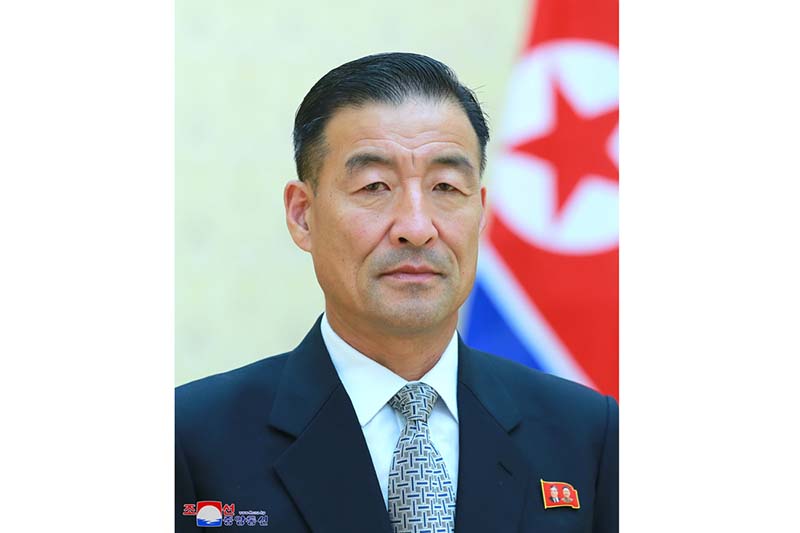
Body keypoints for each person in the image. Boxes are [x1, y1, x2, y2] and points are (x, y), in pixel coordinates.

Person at [176, 52, 618, 533]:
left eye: (446, 187)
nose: (417, 227)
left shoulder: (587, 433)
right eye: (374, 186)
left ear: (480, 212)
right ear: (303, 215)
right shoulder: (190, 438)